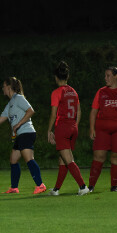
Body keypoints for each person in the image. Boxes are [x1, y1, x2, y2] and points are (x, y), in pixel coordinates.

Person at [0, 77, 47, 194]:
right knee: (13, 160)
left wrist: (18, 124)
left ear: (8, 87)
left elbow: (31, 111)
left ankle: (40, 185)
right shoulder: (10, 103)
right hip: (20, 135)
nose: (2, 88)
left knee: (29, 159)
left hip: (26, 132)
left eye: (3, 86)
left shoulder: (18, 98)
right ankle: (14, 188)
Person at [88, 66, 117, 193]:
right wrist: (91, 128)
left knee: (116, 156)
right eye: (105, 76)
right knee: (99, 155)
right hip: (102, 129)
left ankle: (114, 186)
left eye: (108, 75)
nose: (105, 78)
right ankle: (91, 186)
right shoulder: (101, 92)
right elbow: (93, 111)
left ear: (116, 76)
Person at [47, 61, 89, 196]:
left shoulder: (56, 92)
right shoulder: (73, 91)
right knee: (63, 160)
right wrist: (74, 125)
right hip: (72, 127)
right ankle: (56, 189)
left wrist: (49, 130)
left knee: (69, 160)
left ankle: (83, 186)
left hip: (63, 128)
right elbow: (79, 111)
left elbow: (54, 114)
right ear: (67, 77)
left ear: (55, 77)